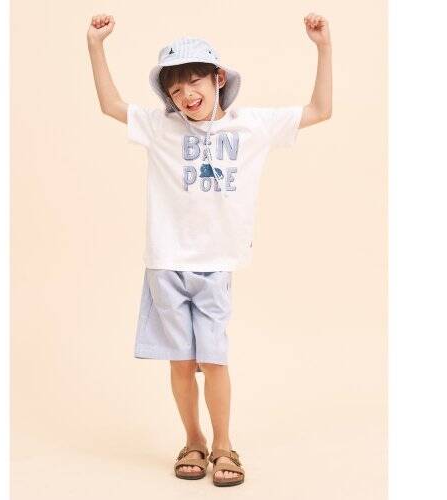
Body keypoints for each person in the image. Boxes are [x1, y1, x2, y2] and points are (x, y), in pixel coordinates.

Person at [87, 12, 332, 487]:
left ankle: (224, 445)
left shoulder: (251, 125)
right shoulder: (161, 126)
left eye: (194, 82)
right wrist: (96, 45)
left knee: (214, 360)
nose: (186, 95)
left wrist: (323, 47)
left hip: (216, 265)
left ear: (218, 79)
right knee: (181, 362)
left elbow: (320, 110)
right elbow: (110, 104)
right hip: (166, 264)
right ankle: (193, 441)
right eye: (176, 89)